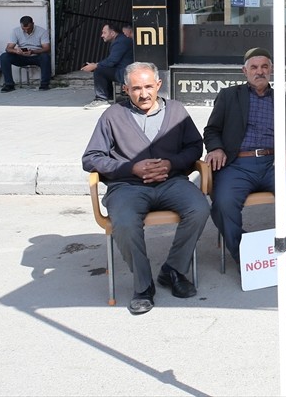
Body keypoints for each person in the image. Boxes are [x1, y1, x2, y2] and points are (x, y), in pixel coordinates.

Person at [81, 62, 209, 315]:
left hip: (171, 181)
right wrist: (132, 168)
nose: (144, 94)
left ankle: (173, 270)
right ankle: (143, 286)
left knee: (200, 207)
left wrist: (172, 163)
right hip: (127, 186)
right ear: (126, 89)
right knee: (126, 222)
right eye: (136, 88)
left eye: (149, 86)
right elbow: (91, 158)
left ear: (158, 85)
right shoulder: (112, 116)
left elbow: (195, 147)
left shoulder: (177, 111)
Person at [203, 47, 286, 265]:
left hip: (273, 161)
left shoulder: (284, 101)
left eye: (264, 67)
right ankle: (246, 254)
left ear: (272, 70)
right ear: (245, 71)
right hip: (238, 163)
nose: (259, 71)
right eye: (254, 67)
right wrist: (216, 148)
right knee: (223, 203)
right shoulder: (229, 96)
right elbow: (211, 130)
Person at [81, 21, 134, 108]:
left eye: (104, 33)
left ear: (113, 33)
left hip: (125, 73)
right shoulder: (120, 40)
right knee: (103, 69)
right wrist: (96, 64)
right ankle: (108, 96)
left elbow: (111, 61)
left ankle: (101, 99)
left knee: (99, 70)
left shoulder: (120, 42)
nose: (102, 35)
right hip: (124, 70)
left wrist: (95, 66)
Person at [0, 14, 52, 91]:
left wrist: (33, 51)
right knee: (4, 57)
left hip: (36, 55)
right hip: (21, 56)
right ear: (21, 26)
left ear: (33, 24)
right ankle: (9, 84)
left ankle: (44, 84)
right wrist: (16, 51)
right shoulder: (16, 31)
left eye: (29, 28)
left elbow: (47, 48)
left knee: (45, 57)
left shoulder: (42, 31)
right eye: (24, 29)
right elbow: (8, 48)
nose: (26, 31)